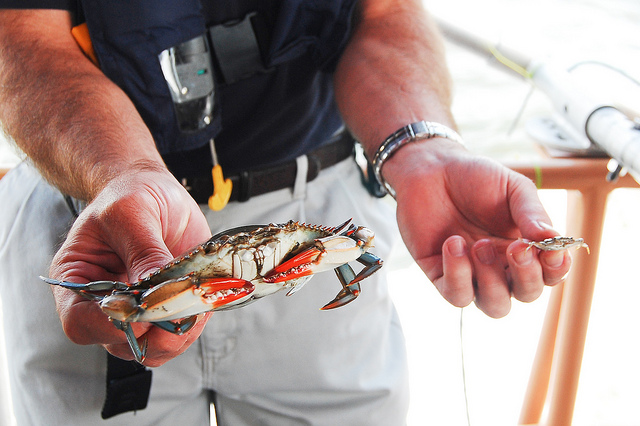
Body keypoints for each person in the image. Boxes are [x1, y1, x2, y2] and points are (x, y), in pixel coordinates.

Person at [0, 1, 572, 424]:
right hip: (99, 226)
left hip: (314, 214)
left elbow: (384, 12)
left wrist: (422, 150)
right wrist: (123, 175)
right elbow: (20, 36)